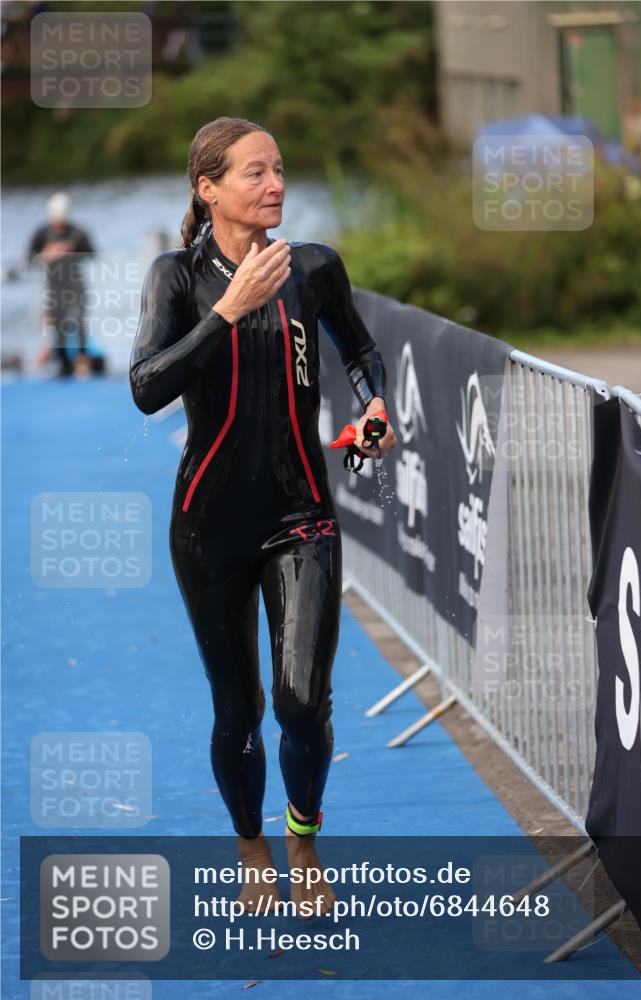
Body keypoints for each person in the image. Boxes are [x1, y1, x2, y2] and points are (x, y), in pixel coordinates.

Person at [129, 116, 397, 918]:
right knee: (237, 708)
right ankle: (251, 847)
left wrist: (374, 402)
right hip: (206, 526)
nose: (275, 183)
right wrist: (225, 312)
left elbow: (359, 349)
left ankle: (303, 839)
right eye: (254, 172)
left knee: (299, 701)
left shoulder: (312, 268)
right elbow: (146, 387)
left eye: (279, 168)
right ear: (207, 188)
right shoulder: (174, 277)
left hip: (302, 515)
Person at [27, 192, 96, 378]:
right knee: (58, 327)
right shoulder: (42, 233)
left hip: (76, 286)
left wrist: (70, 249)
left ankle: (82, 361)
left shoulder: (78, 233)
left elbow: (92, 253)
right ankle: (63, 364)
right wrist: (45, 253)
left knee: (79, 322)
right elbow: (29, 258)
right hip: (54, 288)